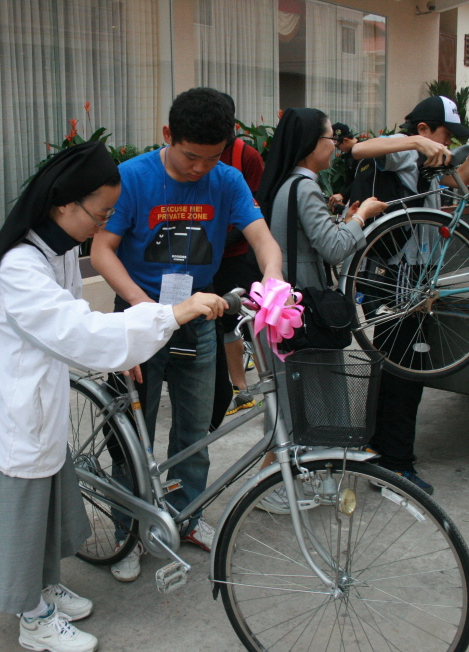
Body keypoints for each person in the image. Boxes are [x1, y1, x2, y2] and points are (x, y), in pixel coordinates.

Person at [0, 142, 227, 652]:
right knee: (18, 512)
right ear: (65, 205)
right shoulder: (19, 266)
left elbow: (74, 324)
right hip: (9, 413)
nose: (101, 226)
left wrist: (117, 349)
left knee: (45, 501)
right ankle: (32, 617)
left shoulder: (53, 252)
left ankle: (42, 586)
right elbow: (74, 329)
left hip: (38, 400)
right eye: (99, 213)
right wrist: (171, 314)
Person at [90, 87, 284, 582]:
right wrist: (149, 310)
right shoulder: (132, 178)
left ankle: (187, 517)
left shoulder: (228, 180)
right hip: (139, 318)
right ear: (167, 136)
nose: (200, 169)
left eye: (212, 158)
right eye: (190, 156)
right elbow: (103, 251)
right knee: (132, 437)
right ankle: (127, 533)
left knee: (195, 432)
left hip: (198, 321)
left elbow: (263, 240)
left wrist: (275, 278)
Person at [349, 96, 469, 495]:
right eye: (442, 135)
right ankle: (398, 468)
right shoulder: (406, 153)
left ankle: (377, 449)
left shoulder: (427, 160)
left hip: (415, 278)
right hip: (403, 281)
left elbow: (461, 177)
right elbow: (358, 149)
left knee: (390, 369)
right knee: (407, 377)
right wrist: (413, 144)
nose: (445, 143)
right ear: (423, 130)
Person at [250, 108, 386, 514]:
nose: (335, 144)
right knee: (305, 397)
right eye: (330, 138)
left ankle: (287, 477)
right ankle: (275, 485)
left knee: (297, 397)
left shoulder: (286, 186)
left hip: (286, 308)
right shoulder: (303, 187)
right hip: (304, 309)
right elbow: (335, 247)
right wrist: (362, 217)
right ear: (312, 144)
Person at [209, 93, 266, 424]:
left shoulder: (247, 156)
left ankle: (268, 379)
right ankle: (240, 387)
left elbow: (254, 210)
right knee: (224, 322)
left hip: (237, 253)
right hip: (206, 256)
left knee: (252, 318)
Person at [328, 122, 360, 210]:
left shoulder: (362, 151)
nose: (338, 149)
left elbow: (362, 178)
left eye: (338, 146)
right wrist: (343, 200)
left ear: (346, 140)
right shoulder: (348, 154)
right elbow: (350, 179)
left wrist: (343, 195)